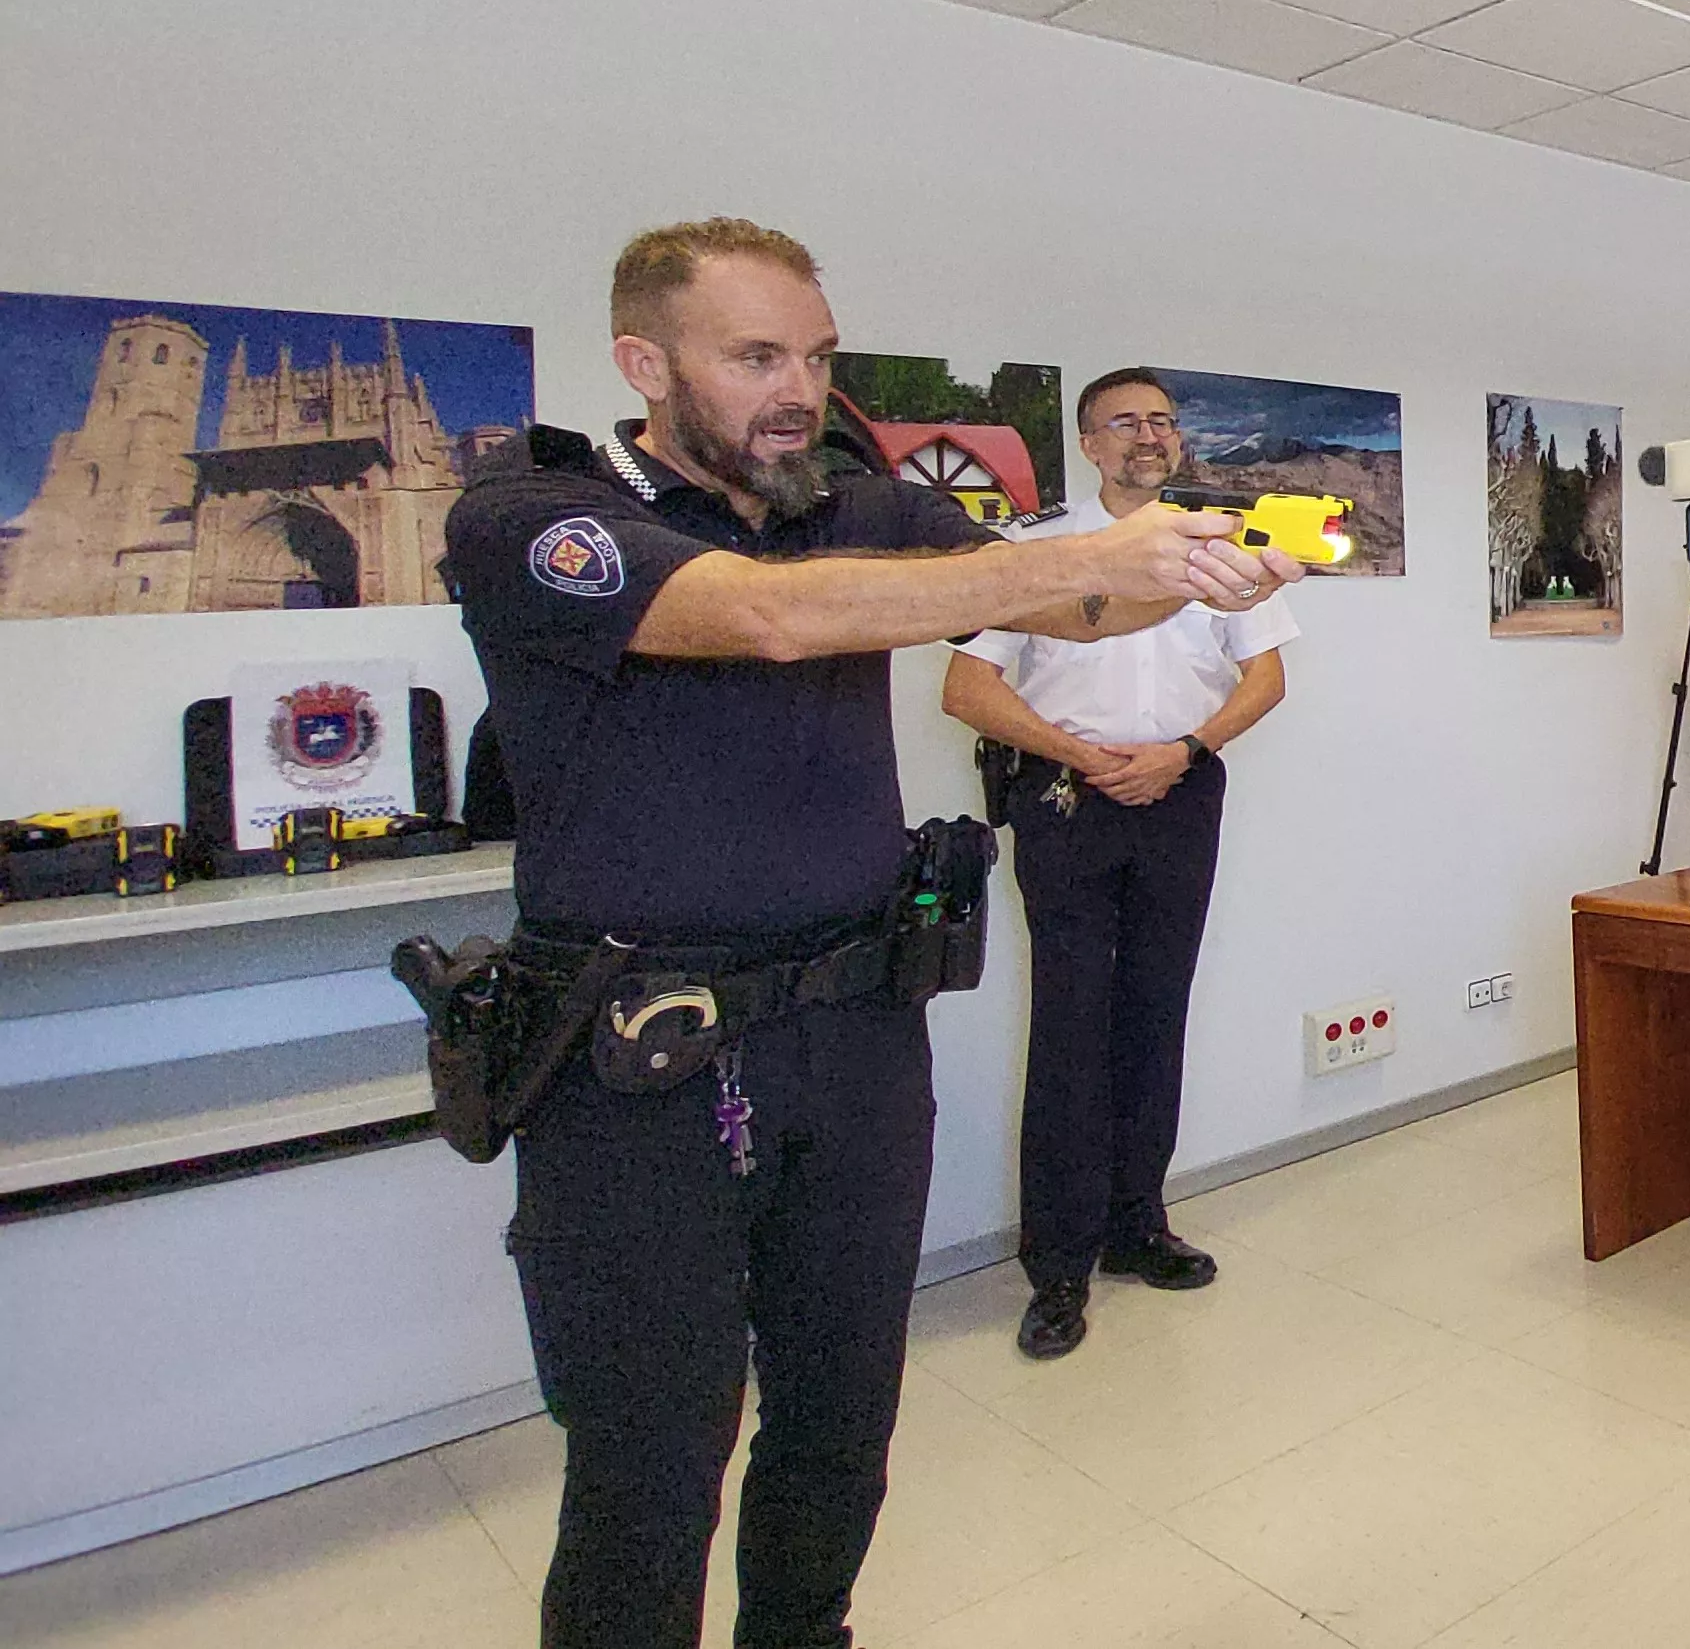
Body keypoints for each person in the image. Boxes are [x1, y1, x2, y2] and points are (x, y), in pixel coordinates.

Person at [442, 217, 1299, 1649]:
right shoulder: (539, 518)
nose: (798, 389)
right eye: (755, 357)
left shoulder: (855, 509)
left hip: (853, 1037)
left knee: (840, 1418)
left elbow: (1075, 603)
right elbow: (762, 619)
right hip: (637, 1062)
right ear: (644, 362)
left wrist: (1199, 569)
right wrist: (1055, 562)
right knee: (651, 1459)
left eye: (817, 357)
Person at [939, 369, 1299, 1360]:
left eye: (1162, 421)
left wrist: (1183, 750)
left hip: (1180, 792)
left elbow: (1266, 677)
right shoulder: (1033, 551)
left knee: (1155, 1012)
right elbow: (966, 690)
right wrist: (1083, 755)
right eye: (1126, 423)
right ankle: (1057, 1267)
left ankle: (1137, 1227)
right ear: (1089, 442)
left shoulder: (1220, 547)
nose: (1148, 436)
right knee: (1070, 1031)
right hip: (1067, 801)